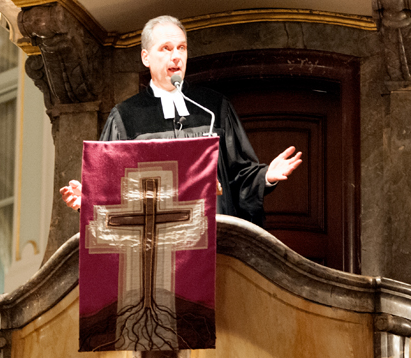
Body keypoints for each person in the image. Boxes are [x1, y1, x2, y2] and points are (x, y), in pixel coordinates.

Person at [61, 15, 301, 226]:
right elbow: (111, 189)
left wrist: (265, 176)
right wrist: (89, 199)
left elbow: (238, 177)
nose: (176, 56)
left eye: (182, 48)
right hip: (154, 244)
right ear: (146, 57)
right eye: (165, 48)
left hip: (214, 239)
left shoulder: (213, 108)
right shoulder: (125, 116)